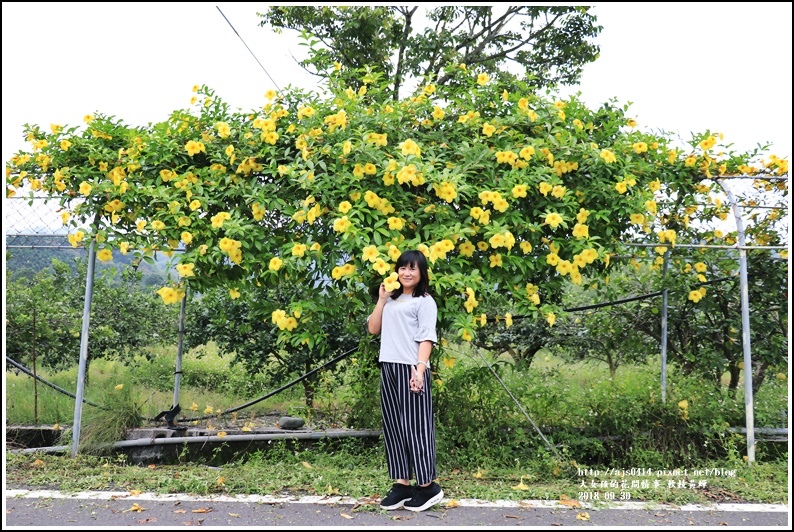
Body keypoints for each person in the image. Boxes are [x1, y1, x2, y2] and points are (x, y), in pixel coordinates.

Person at [367, 249, 444, 512]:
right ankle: (402, 485)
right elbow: (373, 329)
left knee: (416, 429)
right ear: (396, 271)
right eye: (402, 268)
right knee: (394, 427)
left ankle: (427, 486)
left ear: (421, 273)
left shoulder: (424, 301)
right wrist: (381, 299)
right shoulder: (391, 299)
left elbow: (426, 337)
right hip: (388, 367)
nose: (406, 273)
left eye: (412, 268)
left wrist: (420, 370)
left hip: (411, 369)